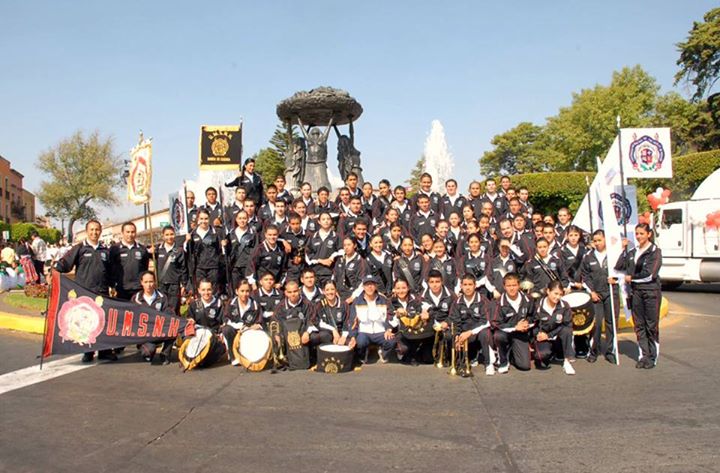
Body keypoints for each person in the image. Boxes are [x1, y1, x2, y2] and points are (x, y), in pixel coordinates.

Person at [55, 219, 114, 362]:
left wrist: (113, 286)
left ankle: (104, 351)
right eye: (92, 230)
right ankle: (88, 352)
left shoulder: (105, 250)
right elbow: (65, 264)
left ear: (100, 231)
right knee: (86, 322)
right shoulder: (79, 248)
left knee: (102, 321)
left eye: (97, 230)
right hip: (85, 292)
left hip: (102, 292)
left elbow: (110, 271)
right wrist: (55, 271)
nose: (94, 232)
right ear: (87, 231)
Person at [615, 223, 663, 369]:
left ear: (649, 234)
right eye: (637, 234)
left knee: (651, 325)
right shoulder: (633, 252)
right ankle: (643, 354)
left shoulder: (655, 251)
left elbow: (650, 274)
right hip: (636, 292)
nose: (639, 236)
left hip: (650, 292)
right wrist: (623, 249)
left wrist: (632, 278)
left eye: (642, 233)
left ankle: (652, 357)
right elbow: (619, 266)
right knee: (639, 325)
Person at [581, 230, 619, 364]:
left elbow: (622, 271)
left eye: (599, 240)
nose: (597, 243)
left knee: (611, 323)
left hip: (610, 293)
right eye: (595, 241)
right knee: (596, 324)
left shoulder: (614, 255)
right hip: (596, 294)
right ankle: (594, 351)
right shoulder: (588, 256)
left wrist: (616, 280)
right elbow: (585, 276)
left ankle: (610, 351)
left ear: (605, 240)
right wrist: (591, 291)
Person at [451, 273, 494, 376]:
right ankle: (463, 360)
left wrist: (470, 332)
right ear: (461, 286)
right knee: (450, 335)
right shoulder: (457, 302)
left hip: (477, 331)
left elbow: (486, 321)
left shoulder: (483, 300)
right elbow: (455, 321)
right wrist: (457, 336)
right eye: (465, 285)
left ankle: (489, 364)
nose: (467, 287)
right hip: (464, 333)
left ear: (475, 286)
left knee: (485, 333)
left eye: (470, 284)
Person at [347, 275, 396, 364]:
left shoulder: (384, 300)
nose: (370, 287)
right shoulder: (357, 301)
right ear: (363, 287)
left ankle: (383, 353)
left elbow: (391, 315)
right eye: (367, 284)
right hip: (364, 332)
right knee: (360, 342)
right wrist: (353, 336)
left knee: (391, 341)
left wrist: (389, 329)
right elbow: (352, 321)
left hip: (381, 331)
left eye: (372, 284)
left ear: (376, 286)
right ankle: (363, 353)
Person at [490, 272, 533, 373]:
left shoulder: (528, 299)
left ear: (519, 285)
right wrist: (514, 327)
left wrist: (527, 322)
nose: (512, 288)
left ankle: (513, 355)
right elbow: (495, 323)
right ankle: (503, 360)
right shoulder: (498, 302)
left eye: (514, 285)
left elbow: (534, 317)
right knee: (498, 336)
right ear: (504, 286)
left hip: (520, 334)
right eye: (509, 286)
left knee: (525, 366)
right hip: (505, 334)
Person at [532, 280, 576, 375]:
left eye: (560, 294)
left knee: (567, 330)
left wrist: (549, 335)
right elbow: (533, 324)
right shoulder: (537, 305)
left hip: (557, 336)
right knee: (542, 356)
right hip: (543, 336)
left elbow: (567, 325)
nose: (558, 297)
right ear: (548, 291)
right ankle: (552, 353)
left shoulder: (565, 306)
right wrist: (538, 334)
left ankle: (567, 361)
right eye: (555, 293)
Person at [132, 271, 173, 364]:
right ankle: (144, 347)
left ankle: (165, 354)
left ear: (155, 282)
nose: (149, 285)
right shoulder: (136, 298)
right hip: (144, 334)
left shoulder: (163, 298)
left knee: (174, 328)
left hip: (159, 331)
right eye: (146, 282)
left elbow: (169, 314)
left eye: (151, 281)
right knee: (149, 351)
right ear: (141, 283)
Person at [390, 278, 431, 365]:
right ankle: (405, 353)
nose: (401, 291)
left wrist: (424, 311)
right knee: (403, 349)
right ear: (394, 289)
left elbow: (427, 305)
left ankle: (416, 354)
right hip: (398, 332)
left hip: (414, 331)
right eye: (398, 288)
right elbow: (389, 320)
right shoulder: (390, 301)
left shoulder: (415, 298)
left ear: (408, 288)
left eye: (404, 288)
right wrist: (397, 315)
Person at [222, 279, 262, 366]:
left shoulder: (255, 305)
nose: (244, 294)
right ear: (237, 291)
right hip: (234, 331)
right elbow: (226, 319)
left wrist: (254, 326)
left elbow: (259, 322)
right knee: (226, 329)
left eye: (247, 291)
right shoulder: (230, 303)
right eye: (242, 291)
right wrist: (238, 326)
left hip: (248, 332)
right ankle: (233, 356)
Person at [187, 209, 226, 294]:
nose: (203, 221)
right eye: (201, 218)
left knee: (213, 291)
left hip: (213, 267)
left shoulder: (216, 232)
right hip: (199, 268)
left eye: (206, 218)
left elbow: (221, 251)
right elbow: (187, 250)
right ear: (198, 219)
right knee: (201, 291)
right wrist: (187, 241)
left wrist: (223, 245)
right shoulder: (192, 233)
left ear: (209, 219)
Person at [109, 222, 150, 301]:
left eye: (132, 232)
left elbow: (145, 268)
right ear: (122, 233)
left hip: (138, 288)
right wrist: (112, 285)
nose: (130, 234)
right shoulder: (114, 249)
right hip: (121, 288)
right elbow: (111, 268)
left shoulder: (142, 249)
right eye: (128, 232)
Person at [152, 226, 187, 314]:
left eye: (171, 234)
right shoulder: (157, 250)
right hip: (161, 284)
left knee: (174, 308)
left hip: (174, 284)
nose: (169, 237)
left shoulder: (179, 250)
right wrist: (150, 252)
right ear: (163, 236)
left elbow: (183, 268)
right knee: (161, 308)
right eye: (167, 235)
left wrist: (183, 284)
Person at [305, 212, 341, 287]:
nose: (326, 221)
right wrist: (320, 260)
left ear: (331, 221)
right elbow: (307, 255)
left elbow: (341, 251)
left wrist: (332, 257)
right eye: (323, 219)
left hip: (330, 272)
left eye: (328, 219)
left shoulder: (336, 236)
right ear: (319, 222)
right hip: (315, 273)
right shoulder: (313, 236)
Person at [228, 211, 258, 291]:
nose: (242, 221)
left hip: (247, 267)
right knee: (235, 290)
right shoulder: (231, 234)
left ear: (248, 219)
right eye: (240, 218)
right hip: (235, 267)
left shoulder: (252, 233)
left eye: (244, 218)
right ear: (236, 220)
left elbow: (255, 251)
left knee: (247, 290)